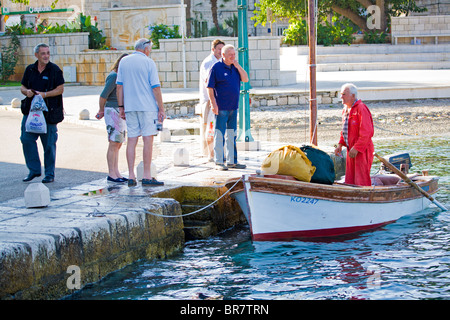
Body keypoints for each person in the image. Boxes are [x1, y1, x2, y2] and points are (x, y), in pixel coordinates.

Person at [116, 38, 165, 187]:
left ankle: (131, 175)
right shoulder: (149, 62)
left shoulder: (124, 62)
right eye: (149, 49)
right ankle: (147, 175)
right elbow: (155, 87)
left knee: (131, 140)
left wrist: (121, 107)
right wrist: (161, 108)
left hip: (130, 106)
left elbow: (119, 86)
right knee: (147, 140)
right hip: (147, 106)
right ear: (145, 49)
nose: (149, 51)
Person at [20, 43, 64, 183]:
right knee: (26, 139)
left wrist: (45, 94)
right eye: (43, 53)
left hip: (49, 114)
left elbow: (60, 89)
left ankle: (49, 174)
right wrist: (26, 92)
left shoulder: (54, 70)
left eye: (48, 53)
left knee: (49, 144)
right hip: (31, 112)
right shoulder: (30, 69)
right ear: (36, 55)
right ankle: (34, 170)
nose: (46, 56)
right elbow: (22, 86)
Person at [207, 44, 249, 171]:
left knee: (232, 134)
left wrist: (237, 65)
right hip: (221, 107)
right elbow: (209, 87)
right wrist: (213, 104)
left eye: (234, 54)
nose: (233, 57)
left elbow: (245, 79)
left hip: (233, 107)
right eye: (230, 55)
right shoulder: (216, 68)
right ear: (223, 55)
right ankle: (219, 161)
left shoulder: (235, 67)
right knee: (219, 134)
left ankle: (232, 161)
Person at [96, 53, 128, 183]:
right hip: (112, 111)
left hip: (118, 112)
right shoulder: (114, 76)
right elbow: (103, 95)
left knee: (118, 143)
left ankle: (117, 172)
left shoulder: (120, 76)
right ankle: (112, 173)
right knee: (113, 143)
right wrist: (101, 110)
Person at [334, 83, 374, 186]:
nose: (341, 97)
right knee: (350, 179)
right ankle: (351, 198)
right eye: (341, 94)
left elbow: (367, 132)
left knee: (361, 179)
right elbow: (345, 130)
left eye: (344, 94)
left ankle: (363, 198)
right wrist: (340, 144)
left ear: (353, 96)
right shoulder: (346, 110)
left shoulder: (361, 108)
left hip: (362, 150)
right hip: (350, 149)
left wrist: (357, 148)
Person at [199, 39, 225, 161]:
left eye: (222, 49)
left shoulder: (220, 61)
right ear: (213, 49)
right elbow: (208, 82)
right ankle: (211, 154)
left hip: (218, 99)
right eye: (219, 49)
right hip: (210, 100)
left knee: (217, 127)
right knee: (210, 127)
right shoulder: (209, 62)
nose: (221, 51)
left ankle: (217, 152)